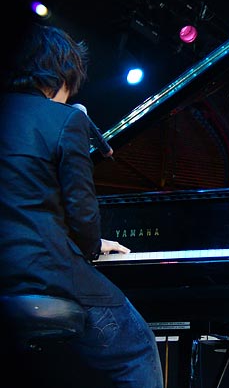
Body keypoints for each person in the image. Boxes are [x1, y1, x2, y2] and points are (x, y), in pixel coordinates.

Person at [0, 22, 164, 387]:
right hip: (44, 275)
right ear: (59, 73)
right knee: (136, 347)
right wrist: (91, 245)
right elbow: (82, 211)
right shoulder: (66, 118)